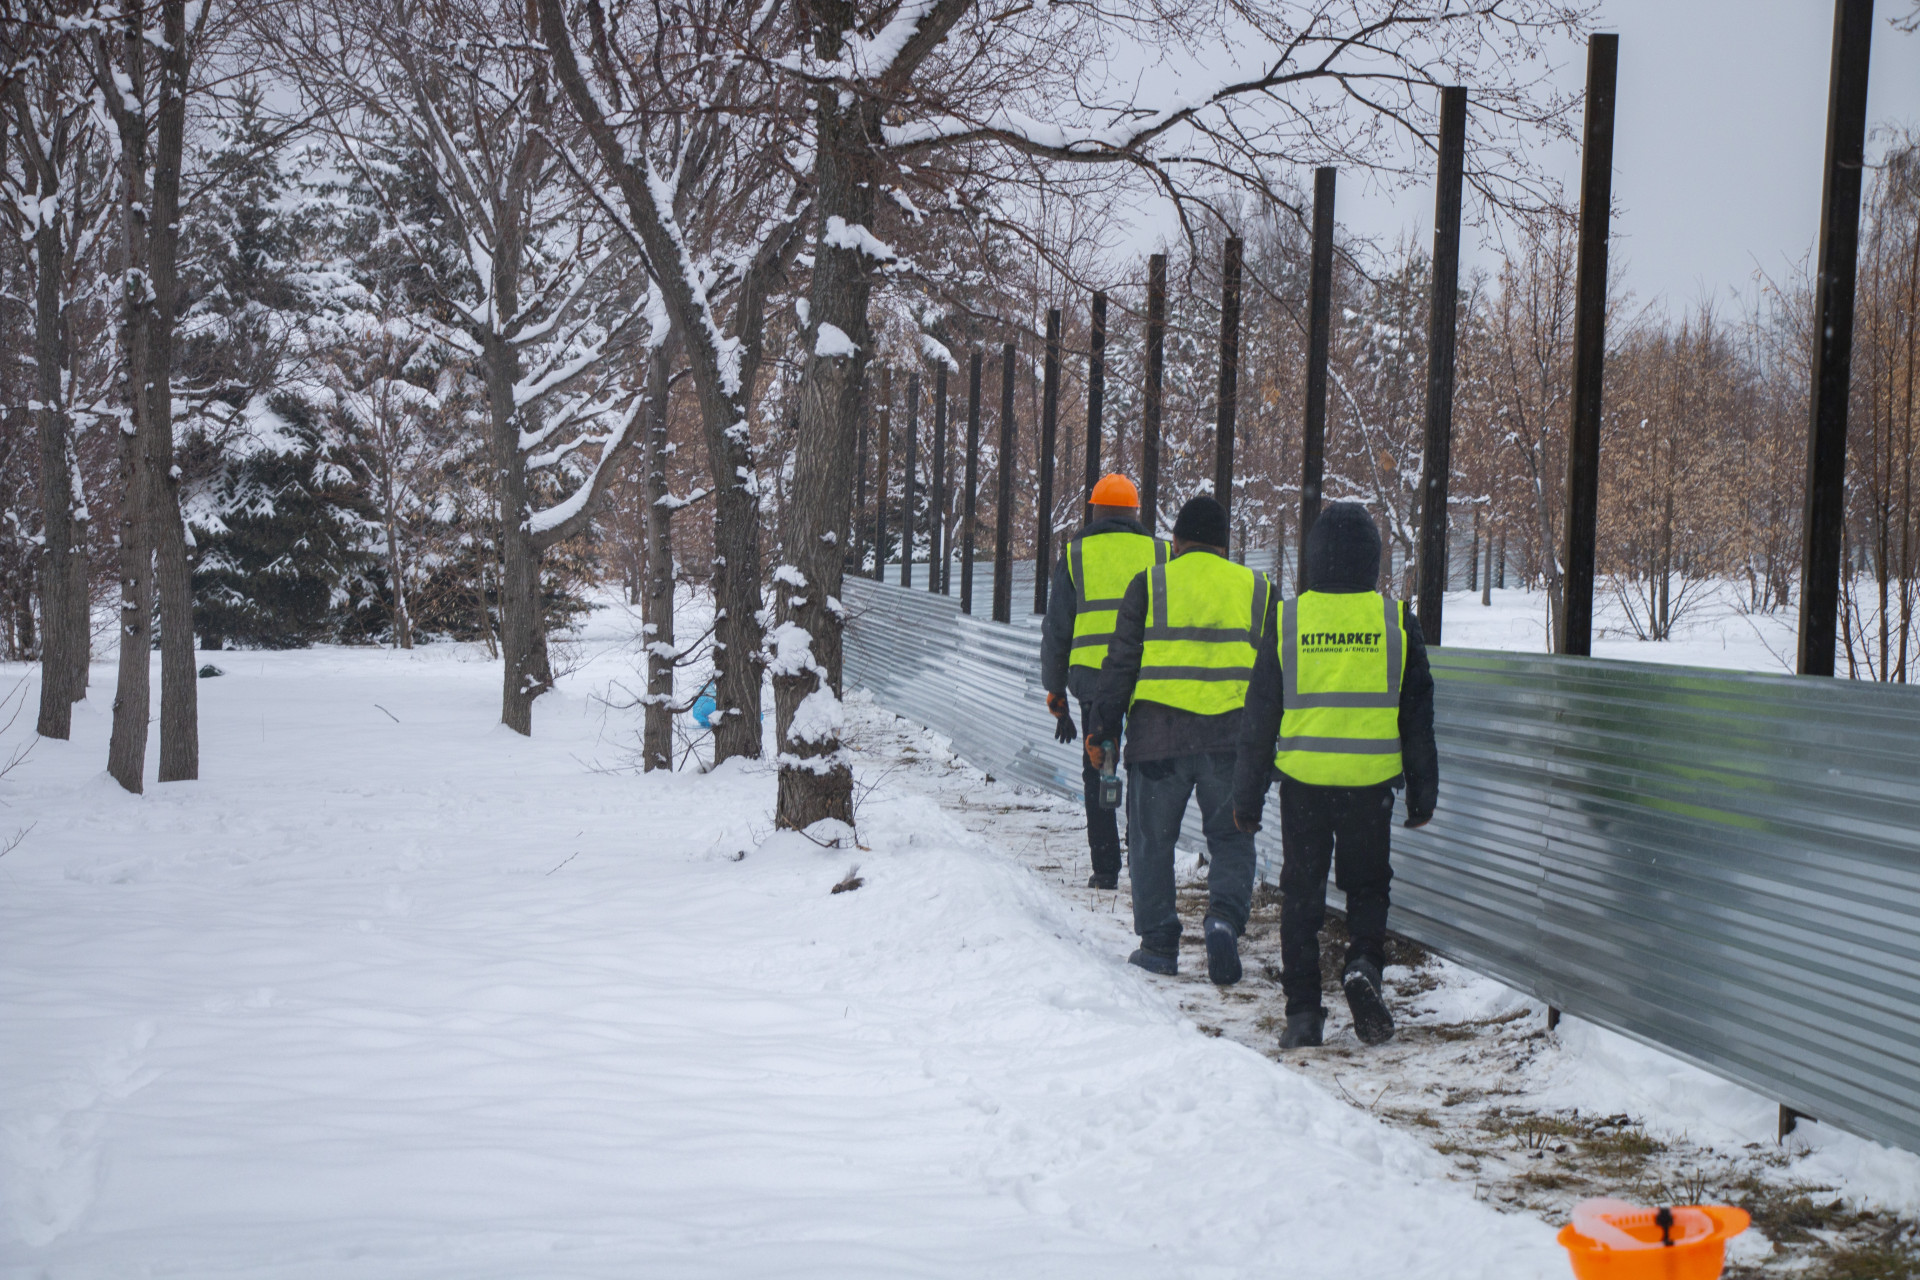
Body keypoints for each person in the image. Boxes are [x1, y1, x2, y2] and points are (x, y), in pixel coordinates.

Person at [1231, 502, 1437, 1049]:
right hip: (1371, 786)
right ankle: (1364, 965)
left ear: (1313, 557)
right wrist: (1423, 793)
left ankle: (1302, 1013)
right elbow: (1417, 716)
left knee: (1302, 893)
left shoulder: (1288, 620)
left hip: (1304, 785)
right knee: (1368, 886)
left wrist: (1246, 798)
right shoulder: (1396, 621)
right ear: (1372, 559)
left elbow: (1259, 718)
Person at [1085, 495, 1269, 984]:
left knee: (1151, 841)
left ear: (1177, 541)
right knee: (1232, 838)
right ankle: (1223, 920)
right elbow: (1274, 676)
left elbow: (1120, 665)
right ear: (1225, 545)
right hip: (1231, 741)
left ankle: (1159, 944)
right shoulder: (1258, 589)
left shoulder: (1150, 583)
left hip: (1158, 739)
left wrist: (1102, 729)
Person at [1040, 474, 1168, 890]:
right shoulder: (1160, 552)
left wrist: (1055, 688)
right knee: (1144, 765)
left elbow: (1057, 628)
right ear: (1135, 512)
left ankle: (1106, 868)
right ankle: (1141, 855)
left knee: (1101, 766)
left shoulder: (1076, 554)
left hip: (1095, 681)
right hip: (1147, 677)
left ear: (1095, 511)